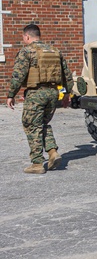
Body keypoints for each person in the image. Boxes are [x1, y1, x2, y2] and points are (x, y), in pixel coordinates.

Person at [6, 24, 72, 174]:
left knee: (31, 125)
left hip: (36, 93)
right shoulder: (55, 51)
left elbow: (18, 75)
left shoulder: (27, 51)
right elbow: (66, 75)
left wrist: (11, 95)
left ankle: (37, 163)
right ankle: (52, 152)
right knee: (42, 123)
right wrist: (67, 94)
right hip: (52, 93)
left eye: (23, 37)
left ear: (27, 36)